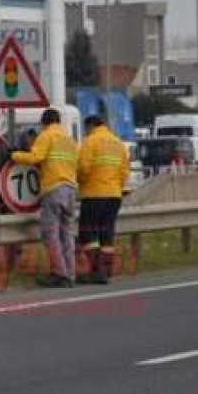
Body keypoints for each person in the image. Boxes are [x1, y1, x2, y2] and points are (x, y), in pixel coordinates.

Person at [11, 108, 79, 288]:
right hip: (71, 190)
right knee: (67, 233)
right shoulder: (69, 140)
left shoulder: (46, 135)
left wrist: (14, 155)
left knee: (50, 233)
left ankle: (59, 273)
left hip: (54, 189)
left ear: (44, 123)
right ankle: (70, 273)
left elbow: (36, 157)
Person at [76, 115, 130, 284]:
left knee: (88, 233)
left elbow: (83, 168)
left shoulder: (90, 141)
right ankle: (106, 271)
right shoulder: (118, 143)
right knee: (107, 234)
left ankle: (95, 271)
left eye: (86, 128)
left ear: (90, 126)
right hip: (114, 196)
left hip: (94, 194)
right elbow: (124, 172)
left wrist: (80, 182)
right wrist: (117, 187)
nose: (85, 132)